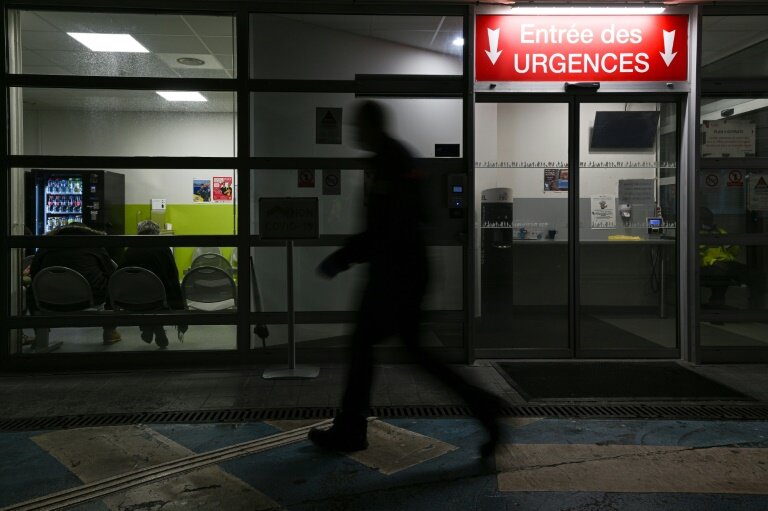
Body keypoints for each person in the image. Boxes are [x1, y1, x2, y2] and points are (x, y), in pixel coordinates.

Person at [308, 100, 504, 457]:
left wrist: (343, 257)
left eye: (357, 127)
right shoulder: (396, 157)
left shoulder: (389, 160)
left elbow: (387, 225)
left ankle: (351, 429)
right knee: (411, 352)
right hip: (403, 271)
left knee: (363, 345)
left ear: (370, 126)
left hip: (395, 275)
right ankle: (483, 405)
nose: (354, 133)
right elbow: (411, 217)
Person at [29, 223, 121, 344]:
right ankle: (109, 331)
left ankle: (41, 336)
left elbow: (34, 271)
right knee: (111, 284)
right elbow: (111, 272)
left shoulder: (47, 245)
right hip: (90, 297)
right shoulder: (95, 244)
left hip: (48, 298)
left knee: (31, 290)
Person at [120, 220, 186, 349]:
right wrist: (178, 302)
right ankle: (154, 328)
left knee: (143, 297)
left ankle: (148, 327)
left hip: (134, 297)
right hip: (160, 296)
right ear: (157, 233)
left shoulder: (131, 250)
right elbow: (172, 275)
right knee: (155, 299)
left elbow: (121, 273)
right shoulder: (164, 249)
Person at [700, 207, 765, 308]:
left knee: (756, 275)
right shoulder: (694, 234)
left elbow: (735, 252)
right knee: (720, 276)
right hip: (707, 265)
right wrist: (713, 262)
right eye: (705, 218)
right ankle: (716, 308)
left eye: (710, 218)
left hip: (728, 262)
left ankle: (756, 307)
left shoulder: (720, 232)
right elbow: (693, 256)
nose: (708, 221)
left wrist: (731, 245)